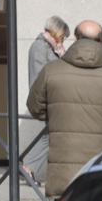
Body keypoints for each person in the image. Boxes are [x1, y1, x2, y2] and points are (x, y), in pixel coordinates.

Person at [26, 21, 102, 199]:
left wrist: (57, 115)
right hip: (101, 172)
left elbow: (35, 107)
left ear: (75, 38)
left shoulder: (51, 71)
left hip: (63, 178)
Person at [25, 15, 70, 183]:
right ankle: (29, 169)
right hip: (46, 100)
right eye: (63, 36)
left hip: (51, 101)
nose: (63, 40)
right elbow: (41, 76)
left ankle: (31, 170)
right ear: (56, 32)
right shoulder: (39, 47)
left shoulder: (50, 48)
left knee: (48, 137)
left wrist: (61, 54)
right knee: (47, 137)